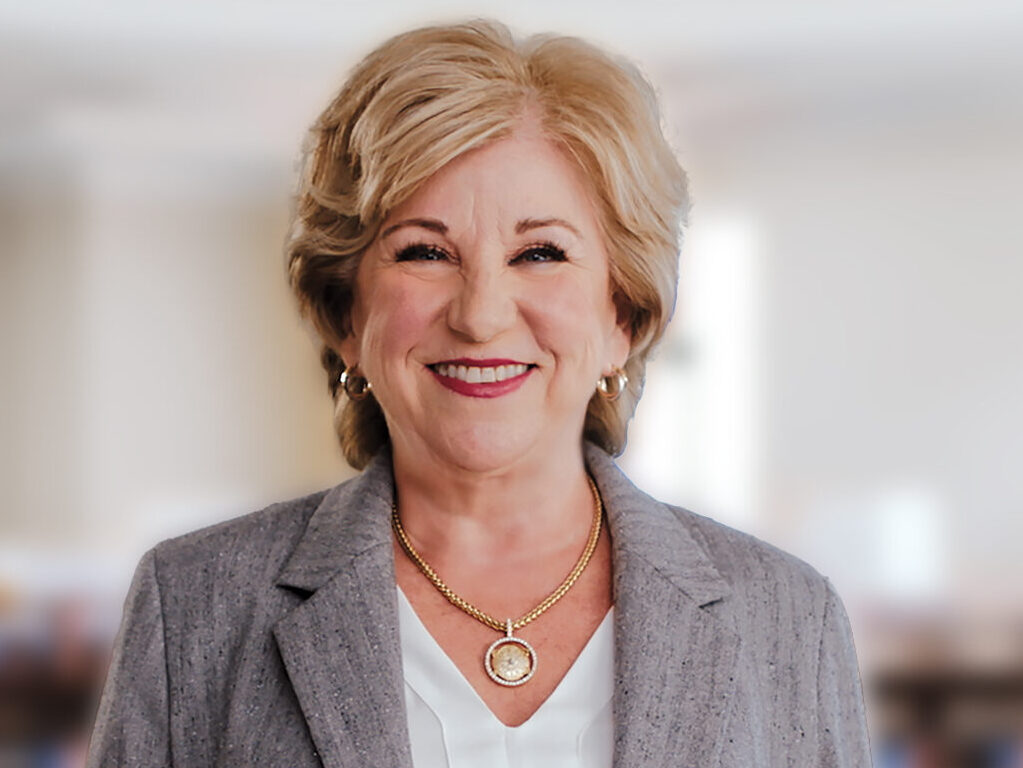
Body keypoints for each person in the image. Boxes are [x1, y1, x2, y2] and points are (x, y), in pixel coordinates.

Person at [86, 20, 872, 767]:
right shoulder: (191, 606)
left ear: (622, 316)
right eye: (424, 251)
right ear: (345, 316)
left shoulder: (787, 618)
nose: (481, 314)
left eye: (540, 252)